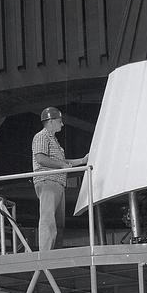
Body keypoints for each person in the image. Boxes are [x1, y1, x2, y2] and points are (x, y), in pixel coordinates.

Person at [31, 107, 87, 252]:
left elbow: (62, 161)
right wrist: (62, 165)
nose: (62, 124)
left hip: (58, 183)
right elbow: (41, 158)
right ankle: (45, 253)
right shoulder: (41, 136)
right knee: (48, 218)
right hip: (48, 181)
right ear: (50, 122)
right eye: (59, 121)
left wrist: (82, 160)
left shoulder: (53, 140)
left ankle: (55, 251)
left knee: (58, 222)